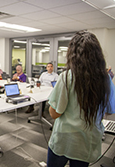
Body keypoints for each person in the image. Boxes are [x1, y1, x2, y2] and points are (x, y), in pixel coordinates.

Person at [47, 31, 115, 167]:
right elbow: (110, 110)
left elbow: (55, 113)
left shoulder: (66, 77)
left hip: (65, 139)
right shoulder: (105, 78)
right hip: (88, 141)